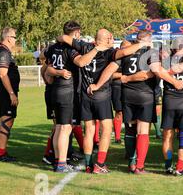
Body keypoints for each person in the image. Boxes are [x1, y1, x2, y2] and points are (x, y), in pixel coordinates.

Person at [89, 30, 183, 174]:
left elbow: (110, 69)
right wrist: (174, 81)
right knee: (143, 130)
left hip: (127, 95)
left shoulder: (126, 51)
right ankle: (139, 166)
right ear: (148, 39)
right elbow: (155, 71)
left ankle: (131, 163)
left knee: (130, 129)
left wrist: (97, 85)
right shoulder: (150, 51)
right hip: (144, 95)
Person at [58, 29, 148, 174]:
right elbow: (124, 53)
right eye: (110, 37)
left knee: (89, 130)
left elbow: (63, 37)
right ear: (108, 39)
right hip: (102, 95)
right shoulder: (109, 52)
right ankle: (99, 164)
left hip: (85, 95)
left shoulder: (85, 47)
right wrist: (141, 44)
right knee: (106, 129)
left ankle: (88, 165)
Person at [45, 21, 106, 172]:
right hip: (68, 92)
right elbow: (81, 62)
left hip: (55, 90)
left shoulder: (53, 47)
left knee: (59, 127)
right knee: (65, 128)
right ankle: (61, 164)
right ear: (77, 33)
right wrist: (96, 49)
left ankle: (60, 161)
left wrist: (58, 73)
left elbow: (47, 68)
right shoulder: (70, 48)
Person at [160, 37, 183, 176]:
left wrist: (167, 75)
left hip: (169, 101)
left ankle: (168, 167)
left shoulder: (165, 61)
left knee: (167, 136)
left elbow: (160, 72)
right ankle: (180, 168)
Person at [0, 27, 20, 162]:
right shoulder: (3, 52)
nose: (16, 39)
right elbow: (3, 74)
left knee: (7, 120)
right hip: (5, 92)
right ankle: (1, 154)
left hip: (7, 92)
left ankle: (3, 152)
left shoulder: (5, 51)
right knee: (6, 121)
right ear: (9, 37)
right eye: (15, 37)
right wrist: (11, 93)